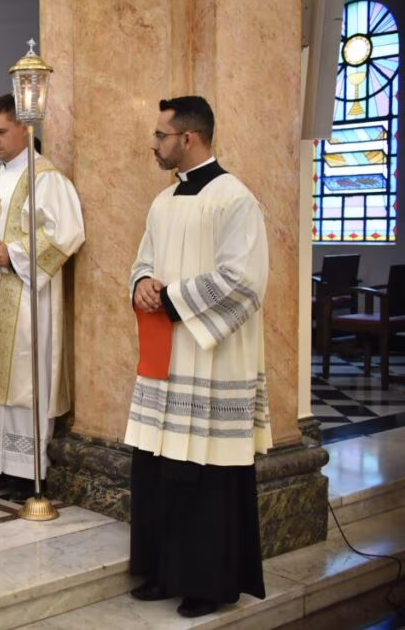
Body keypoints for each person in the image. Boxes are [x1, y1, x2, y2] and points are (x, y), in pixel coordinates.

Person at [125, 96, 271, 618]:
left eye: (161, 135)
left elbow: (244, 281)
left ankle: (208, 583)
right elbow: (144, 258)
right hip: (167, 359)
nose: (154, 143)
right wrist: (141, 283)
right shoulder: (164, 202)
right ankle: (164, 571)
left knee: (205, 472)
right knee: (162, 467)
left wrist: (171, 298)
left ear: (188, 138)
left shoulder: (235, 200)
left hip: (211, 361)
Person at [0, 94, 85, 499]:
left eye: (1, 132)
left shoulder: (45, 178)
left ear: (24, 129)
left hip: (26, 298)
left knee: (23, 379)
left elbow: (66, 234)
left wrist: (13, 255)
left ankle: (27, 470)